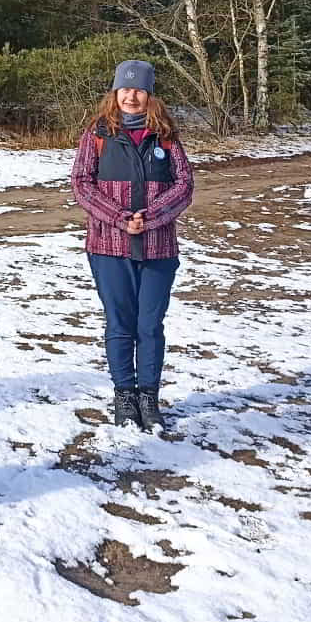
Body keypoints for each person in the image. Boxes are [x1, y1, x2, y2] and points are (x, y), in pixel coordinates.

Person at [69, 60, 193, 431]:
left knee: (150, 325)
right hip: (108, 247)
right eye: (125, 88)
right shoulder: (98, 134)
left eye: (139, 89)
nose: (131, 95)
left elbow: (184, 184)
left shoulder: (166, 136)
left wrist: (151, 217)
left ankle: (149, 398)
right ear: (115, 92)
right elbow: (81, 183)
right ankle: (124, 396)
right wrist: (121, 217)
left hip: (158, 247)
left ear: (150, 95)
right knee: (120, 324)